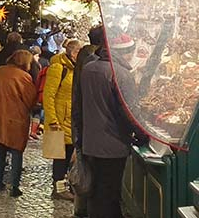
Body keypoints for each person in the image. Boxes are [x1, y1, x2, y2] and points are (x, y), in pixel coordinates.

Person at [79, 33, 148, 218]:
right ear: (127, 52)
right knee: (109, 194)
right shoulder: (120, 74)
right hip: (112, 144)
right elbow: (129, 111)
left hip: (91, 142)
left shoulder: (89, 68)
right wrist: (143, 135)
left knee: (96, 192)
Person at [0, 50, 38, 198]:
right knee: (16, 151)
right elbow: (30, 99)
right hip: (17, 118)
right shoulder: (23, 77)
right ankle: (14, 186)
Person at [43, 38, 81, 200]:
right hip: (58, 121)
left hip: (70, 120)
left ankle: (64, 186)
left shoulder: (74, 69)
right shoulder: (58, 68)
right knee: (60, 157)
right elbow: (48, 95)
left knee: (69, 155)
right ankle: (59, 189)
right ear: (73, 52)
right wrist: (52, 120)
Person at [71, 28, 102, 218]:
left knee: (85, 167)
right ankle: (84, 208)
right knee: (89, 170)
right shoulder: (92, 60)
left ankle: (81, 207)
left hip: (81, 119)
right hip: (88, 122)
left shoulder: (84, 58)